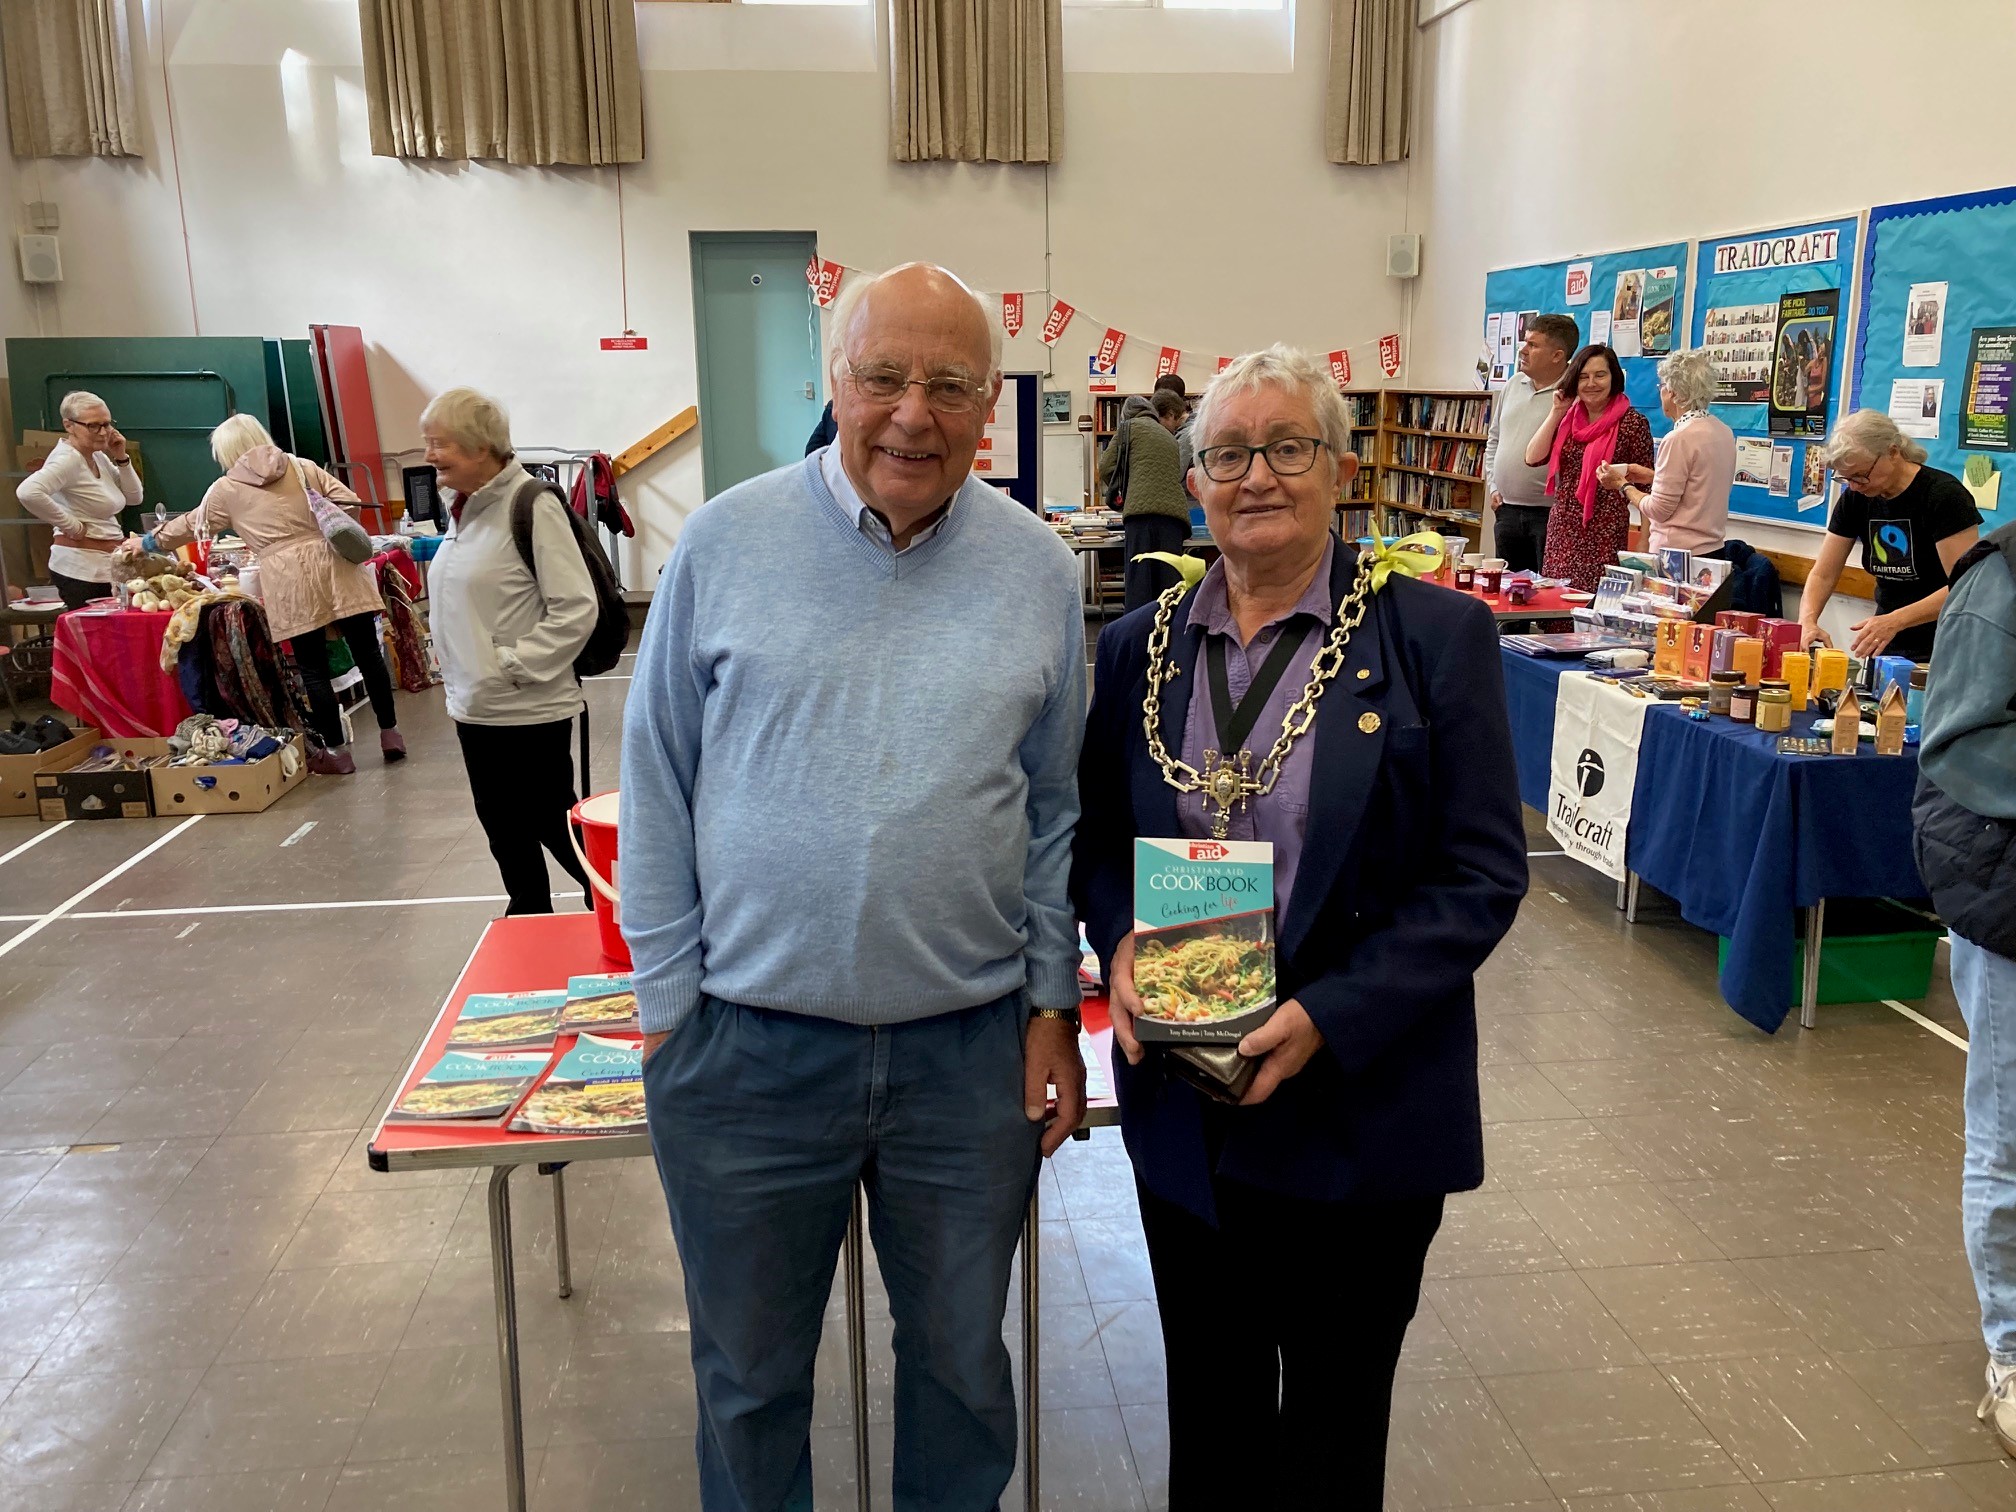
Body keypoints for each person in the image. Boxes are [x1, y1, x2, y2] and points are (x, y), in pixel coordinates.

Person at [622, 263, 1087, 1512]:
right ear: (836, 382)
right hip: (746, 1057)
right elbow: (653, 775)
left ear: (991, 404)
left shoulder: (1039, 572)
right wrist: (669, 1002)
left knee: (956, 1371)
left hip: (966, 1058)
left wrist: (1051, 1004)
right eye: (884, 377)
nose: (912, 414)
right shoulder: (724, 542)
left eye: (949, 385)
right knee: (751, 1381)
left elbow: (1053, 809)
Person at [1071, 345, 1527, 1511]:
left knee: (1332, 1430)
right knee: (1210, 1418)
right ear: (1197, 472)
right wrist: (1120, 938)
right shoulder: (1139, 647)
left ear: (1338, 467)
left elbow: (1480, 874)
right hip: (1190, 1094)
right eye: (1229, 452)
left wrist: (1327, 1016)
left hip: (1359, 1109)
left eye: (1287, 448)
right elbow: (1094, 841)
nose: (1255, 476)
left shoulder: (1433, 638)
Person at [1910, 517, 2016, 1458]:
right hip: (2011, 898)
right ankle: (2013, 1355)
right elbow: (1957, 744)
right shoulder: (2001, 580)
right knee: (2010, 1133)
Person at [126, 415, 404, 774]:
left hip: (288, 580)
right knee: (369, 654)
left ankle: (337, 754)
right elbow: (349, 503)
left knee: (312, 668)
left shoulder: (224, 489)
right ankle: (390, 734)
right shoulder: (301, 466)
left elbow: (191, 526)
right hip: (338, 567)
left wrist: (147, 541)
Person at [423, 386, 597, 915]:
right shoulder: (466, 508)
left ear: (481, 448)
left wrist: (511, 666)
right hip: (475, 705)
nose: (429, 455)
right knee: (501, 824)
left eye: (440, 444)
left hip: (525, 706)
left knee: (551, 820)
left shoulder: (530, 505)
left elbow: (576, 605)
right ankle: (529, 915)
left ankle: (624, 907)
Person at [1800, 410, 1981, 659]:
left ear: (1893, 452)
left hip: (1946, 642)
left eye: (1861, 475)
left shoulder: (1943, 496)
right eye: (1846, 478)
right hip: (1888, 640)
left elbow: (1965, 585)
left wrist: (1896, 620)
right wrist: (1807, 621)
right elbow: (1823, 574)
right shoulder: (1856, 498)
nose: (1854, 486)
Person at [1523, 343, 1655, 591]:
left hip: (1607, 531)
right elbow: (1532, 457)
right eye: (1583, 377)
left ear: (1614, 377)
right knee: (1557, 605)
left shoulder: (1633, 423)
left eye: (1600, 375)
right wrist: (1556, 411)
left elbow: (1647, 485)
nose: (1591, 383)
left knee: (1596, 607)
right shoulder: (1567, 419)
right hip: (1563, 530)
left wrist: (1644, 541)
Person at [1597, 348, 1735, 558]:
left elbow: (1658, 510)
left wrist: (1622, 485)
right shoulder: (1722, 431)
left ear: (1673, 393)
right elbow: (1698, 485)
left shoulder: (1679, 438)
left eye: (1662, 387)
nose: (1661, 392)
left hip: (1677, 555)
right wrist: (1653, 476)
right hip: (1712, 551)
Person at [16, 390, 142, 609]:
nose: (103, 432)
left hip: (105, 565)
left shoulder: (98, 456)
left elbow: (134, 497)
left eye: (107, 424)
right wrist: (71, 526)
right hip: (81, 569)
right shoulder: (67, 460)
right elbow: (28, 492)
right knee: (94, 638)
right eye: (93, 425)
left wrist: (121, 456)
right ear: (69, 425)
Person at [1484, 313, 1578, 572]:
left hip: (1549, 515)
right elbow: (1494, 439)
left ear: (1557, 355)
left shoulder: (1575, 396)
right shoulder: (1513, 385)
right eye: (1524, 342)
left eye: (1533, 345)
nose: (1523, 350)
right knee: (1509, 594)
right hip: (1507, 510)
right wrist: (1493, 484)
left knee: (1546, 593)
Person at [1101, 389, 1191, 611]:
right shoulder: (1168, 436)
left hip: (1141, 516)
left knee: (1140, 582)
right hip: (1174, 518)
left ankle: (1139, 638)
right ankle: (1170, 638)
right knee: (1169, 585)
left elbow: (1105, 467)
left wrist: (1124, 489)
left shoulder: (1128, 428)